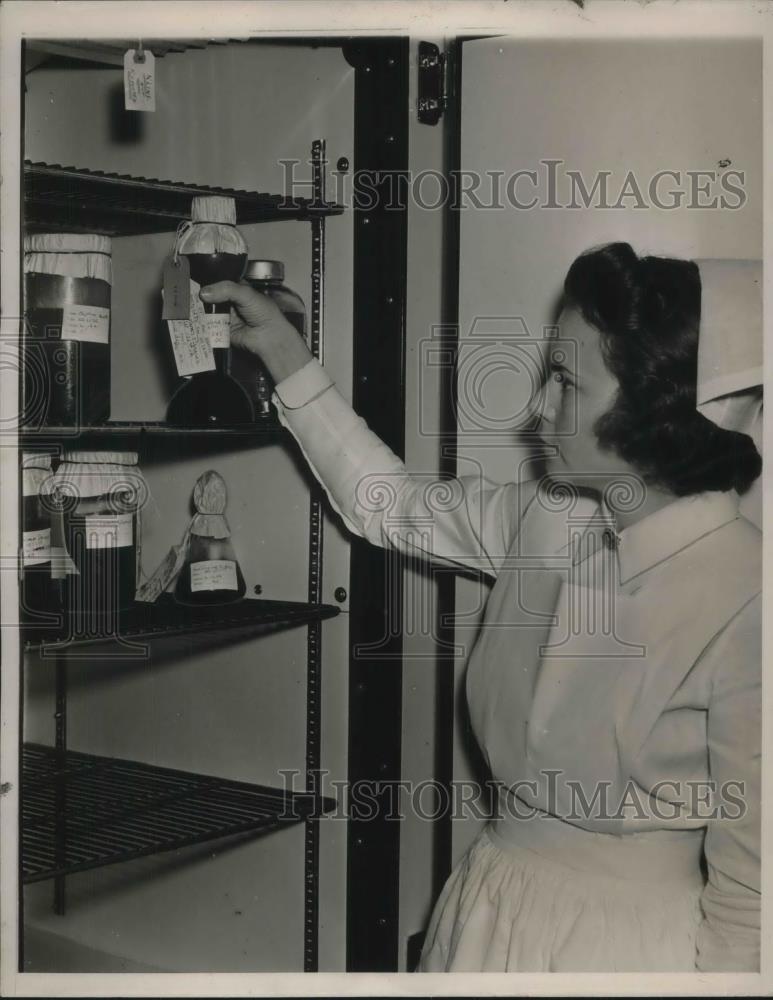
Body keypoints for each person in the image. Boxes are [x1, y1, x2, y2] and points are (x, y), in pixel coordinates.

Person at [200, 241, 762, 973]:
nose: (536, 408)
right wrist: (283, 354)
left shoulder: (748, 592)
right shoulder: (552, 516)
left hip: (636, 953)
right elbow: (388, 506)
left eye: (565, 381)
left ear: (656, 409)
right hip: (485, 911)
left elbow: (753, 895)